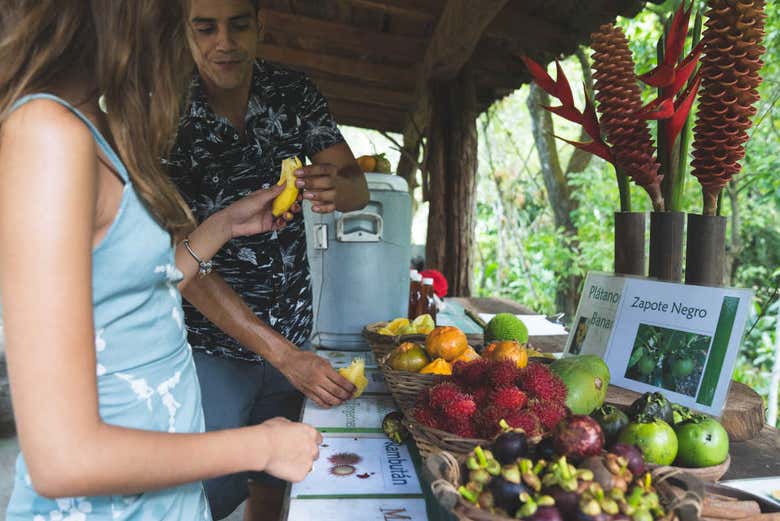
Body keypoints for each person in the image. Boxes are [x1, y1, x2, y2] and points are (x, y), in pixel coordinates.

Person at [0, 2, 322, 520]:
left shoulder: (93, 122)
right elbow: (62, 457)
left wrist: (223, 226)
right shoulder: (46, 132)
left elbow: (130, 296)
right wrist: (261, 447)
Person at [166, 0, 370, 518]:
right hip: (209, 347)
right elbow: (181, 265)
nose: (224, 42)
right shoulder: (163, 111)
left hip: (295, 330)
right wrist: (284, 357)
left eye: (238, 25)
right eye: (206, 28)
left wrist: (335, 187)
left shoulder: (292, 92)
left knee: (283, 483)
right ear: (185, 32)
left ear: (261, 25)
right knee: (210, 494)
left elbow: (358, 186)